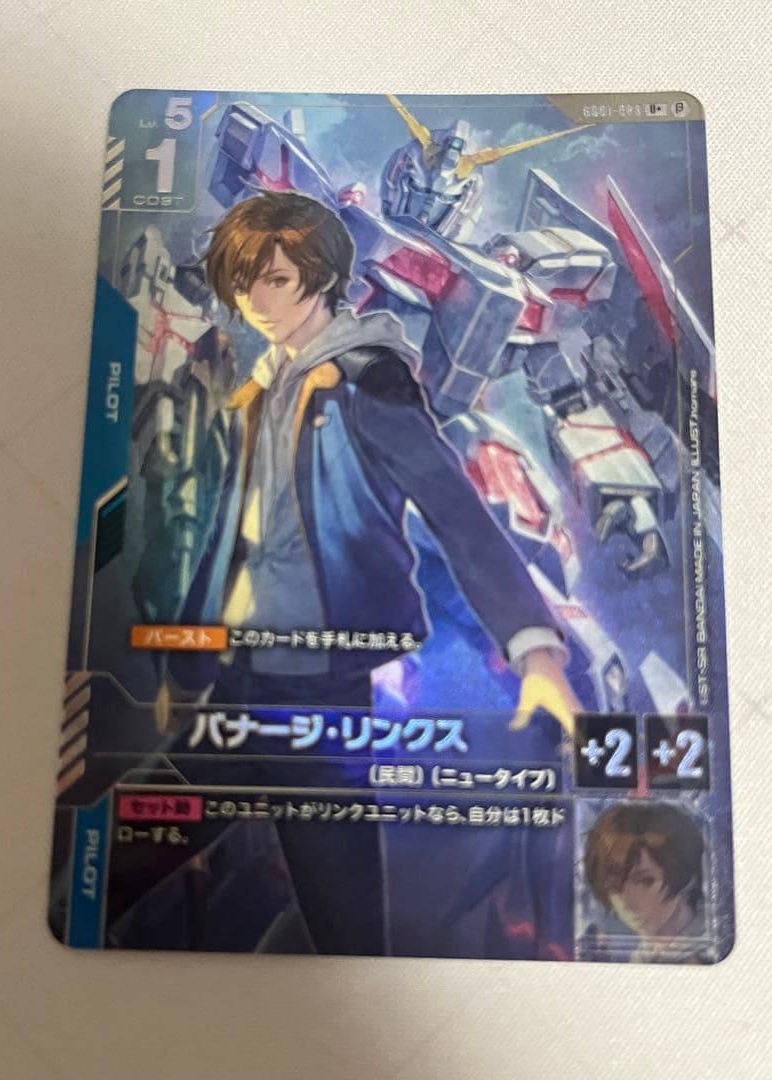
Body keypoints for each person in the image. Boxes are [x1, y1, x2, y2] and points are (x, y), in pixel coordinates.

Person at [163, 189, 580, 954]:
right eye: (246, 282)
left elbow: (454, 508)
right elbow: (234, 534)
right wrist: (187, 662)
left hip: (320, 703)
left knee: (350, 937)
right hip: (239, 687)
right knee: (116, 860)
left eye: (276, 280)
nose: (257, 300)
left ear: (323, 280)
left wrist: (535, 648)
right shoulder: (264, 386)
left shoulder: (368, 381)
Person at [583, 801, 707, 963]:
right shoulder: (645, 954)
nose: (628, 903)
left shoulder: (704, 952)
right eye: (614, 887)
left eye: (645, 882)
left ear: (684, 875)